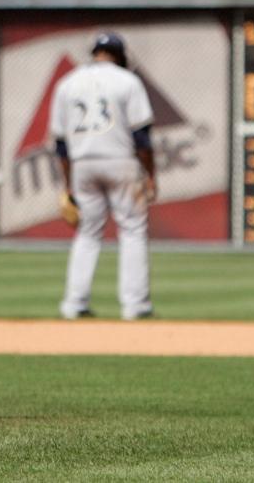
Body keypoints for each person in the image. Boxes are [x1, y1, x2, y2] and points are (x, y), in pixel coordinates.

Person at [49, 33, 157, 321]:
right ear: (120, 56)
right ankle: (135, 306)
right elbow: (141, 136)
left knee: (87, 233)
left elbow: (60, 143)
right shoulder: (127, 80)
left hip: (82, 162)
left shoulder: (67, 83)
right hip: (121, 160)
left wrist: (67, 184)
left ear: (94, 53)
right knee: (133, 230)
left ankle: (74, 304)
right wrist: (150, 174)